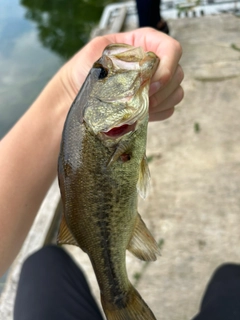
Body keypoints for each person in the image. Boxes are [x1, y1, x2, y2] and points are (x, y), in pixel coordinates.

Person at [0, 28, 184, 319]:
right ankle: (117, 298)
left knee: (42, 262)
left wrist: (66, 89)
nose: (107, 67)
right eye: (102, 74)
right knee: (230, 282)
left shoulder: (106, 130)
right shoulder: (106, 132)